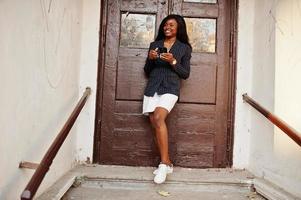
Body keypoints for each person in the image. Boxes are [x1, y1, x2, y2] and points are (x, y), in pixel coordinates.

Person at [142, 14, 192, 184]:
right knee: (155, 124)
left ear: (179, 28)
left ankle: (163, 164)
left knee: (158, 117)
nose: (167, 27)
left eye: (171, 25)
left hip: (170, 88)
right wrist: (150, 59)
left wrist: (173, 61)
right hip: (153, 87)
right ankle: (168, 162)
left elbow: (185, 74)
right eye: (165, 25)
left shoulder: (184, 48)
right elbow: (147, 70)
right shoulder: (154, 45)